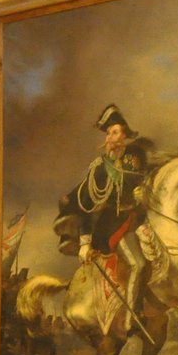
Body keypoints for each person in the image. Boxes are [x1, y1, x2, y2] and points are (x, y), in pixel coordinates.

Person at [55, 104, 153, 326]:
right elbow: (86, 208)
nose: (111, 137)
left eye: (115, 132)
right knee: (138, 264)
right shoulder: (99, 169)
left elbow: (143, 178)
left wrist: (143, 191)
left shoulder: (137, 155)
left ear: (126, 134)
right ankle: (132, 318)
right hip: (113, 225)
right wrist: (84, 243)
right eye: (108, 133)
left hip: (140, 216)